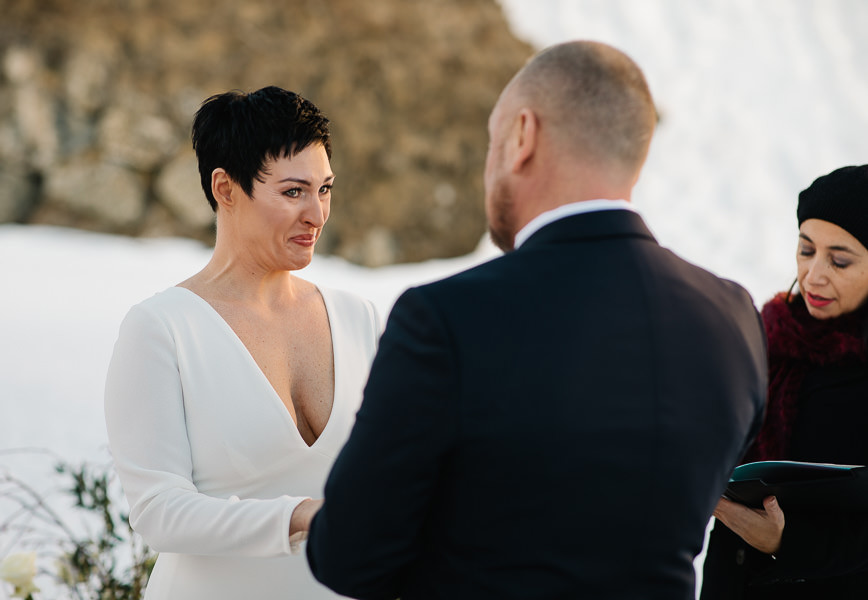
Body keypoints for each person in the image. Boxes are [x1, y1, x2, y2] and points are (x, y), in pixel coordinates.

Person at [305, 40, 767, 599]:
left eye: (492, 142)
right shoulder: (734, 317)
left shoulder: (445, 318)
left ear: (522, 136)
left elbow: (349, 557)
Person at [104, 86, 381, 600]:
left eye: (325, 189)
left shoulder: (358, 319)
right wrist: (302, 516)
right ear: (226, 189)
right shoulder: (161, 329)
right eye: (294, 192)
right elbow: (158, 511)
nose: (317, 216)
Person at [702, 164, 868, 599]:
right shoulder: (767, 336)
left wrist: (784, 542)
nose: (814, 274)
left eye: (840, 260)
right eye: (806, 249)